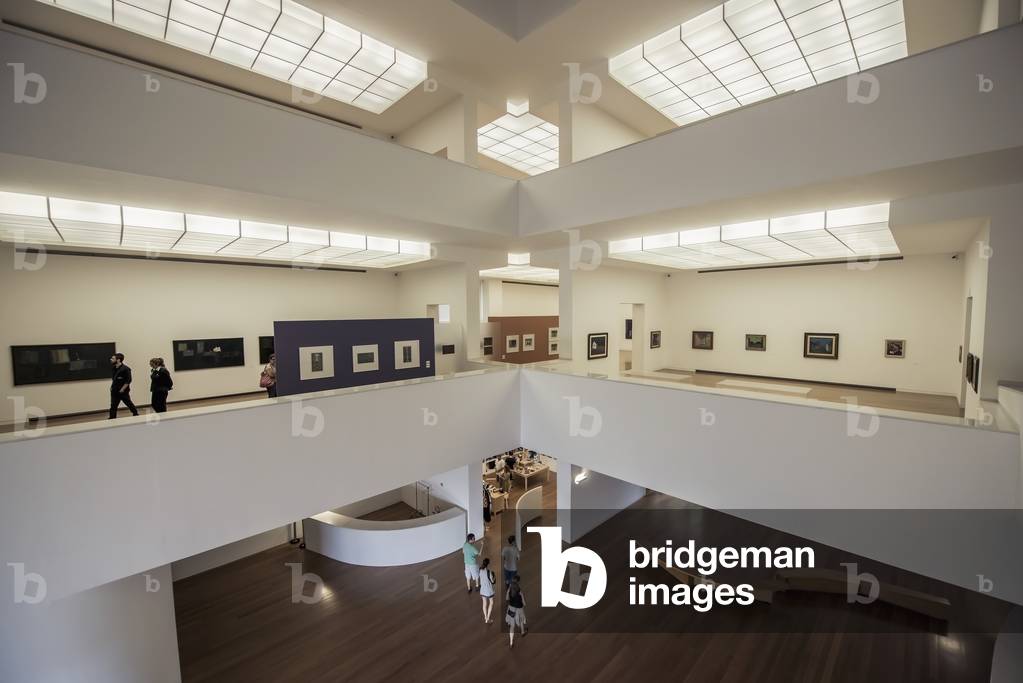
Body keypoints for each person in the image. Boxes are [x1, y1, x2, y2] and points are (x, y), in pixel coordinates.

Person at [108, 353, 139, 419]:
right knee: (113, 405)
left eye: (113, 358)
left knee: (128, 403)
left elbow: (128, 380)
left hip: (123, 391)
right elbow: (115, 379)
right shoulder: (114, 368)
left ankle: (135, 413)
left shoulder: (126, 369)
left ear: (118, 360)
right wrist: (111, 387)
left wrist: (122, 389)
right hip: (114, 390)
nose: (111, 359)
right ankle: (112, 418)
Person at [506, 575, 527, 647]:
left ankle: (511, 642)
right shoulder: (519, 589)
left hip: (511, 608)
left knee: (512, 626)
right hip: (519, 608)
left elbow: (507, 598)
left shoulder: (510, 588)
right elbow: (523, 602)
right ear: (518, 582)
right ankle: (522, 632)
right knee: (521, 620)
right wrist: (523, 602)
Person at [479, 557, 496, 623]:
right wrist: (494, 576)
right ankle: (487, 619)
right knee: (491, 603)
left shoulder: (480, 569)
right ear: (488, 564)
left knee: (484, 604)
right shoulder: (489, 572)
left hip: (482, 590)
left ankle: (485, 616)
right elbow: (493, 581)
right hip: (489, 591)